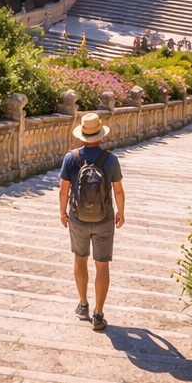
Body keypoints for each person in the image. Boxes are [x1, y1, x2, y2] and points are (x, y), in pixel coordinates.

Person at [59, 112, 125, 332]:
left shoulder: (72, 157)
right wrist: (121, 212)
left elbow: (64, 190)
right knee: (102, 265)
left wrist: (62, 212)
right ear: (100, 134)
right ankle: (98, 314)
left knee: (80, 259)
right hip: (104, 218)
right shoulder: (110, 159)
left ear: (82, 135)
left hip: (77, 217)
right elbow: (118, 189)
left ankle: (83, 304)